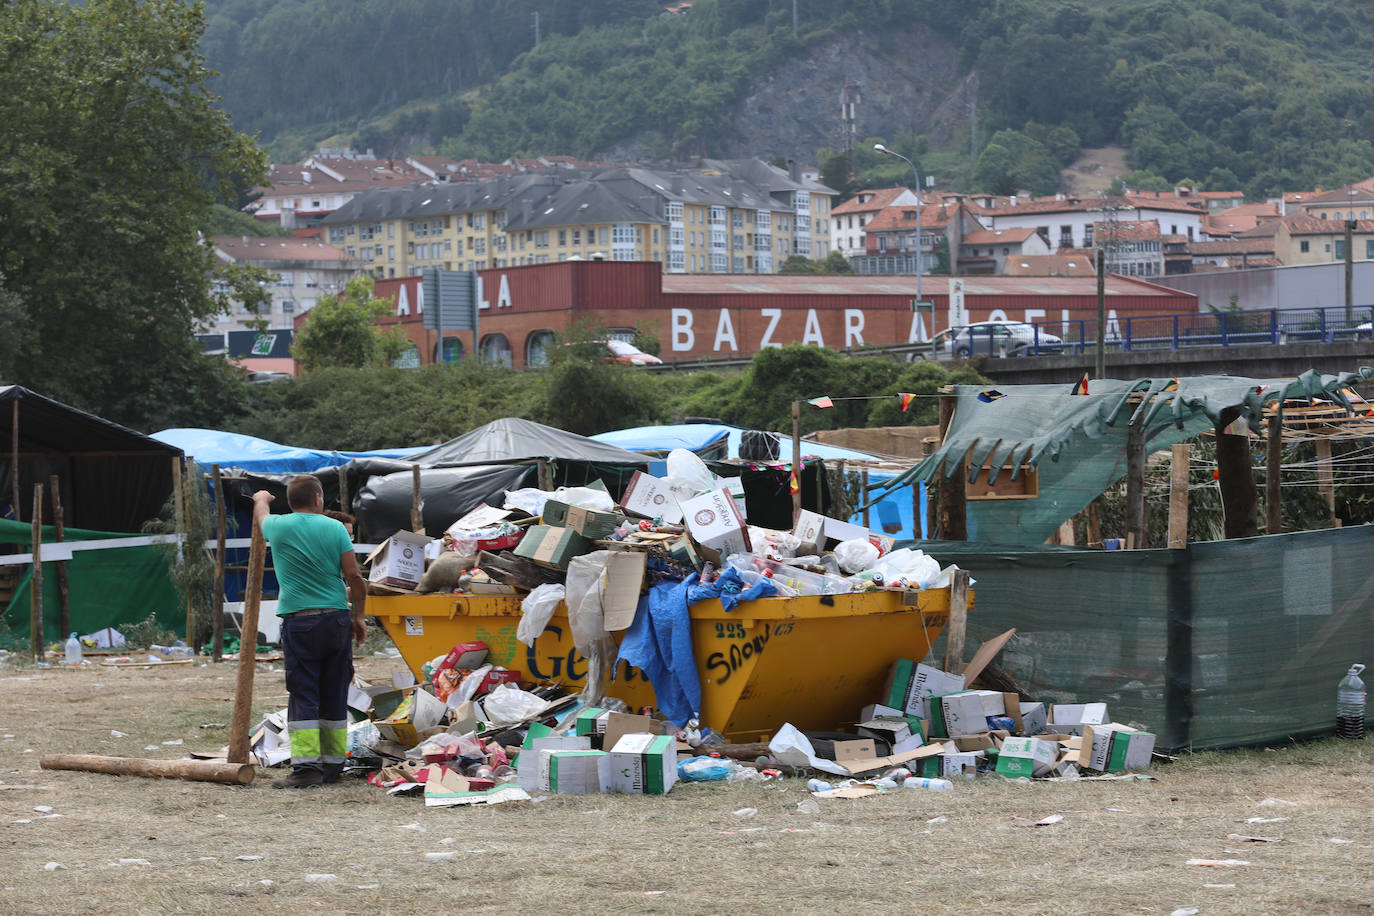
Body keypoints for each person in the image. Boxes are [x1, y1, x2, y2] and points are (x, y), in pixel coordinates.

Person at [253, 478, 366, 789]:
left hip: (300, 621)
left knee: (304, 693)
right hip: (336, 619)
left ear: (290, 503)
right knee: (334, 690)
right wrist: (358, 616)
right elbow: (354, 576)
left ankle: (306, 768)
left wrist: (261, 498)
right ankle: (332, 766)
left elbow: (261, 513)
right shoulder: (335, 529)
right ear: (318, 498)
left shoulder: (278, 525)